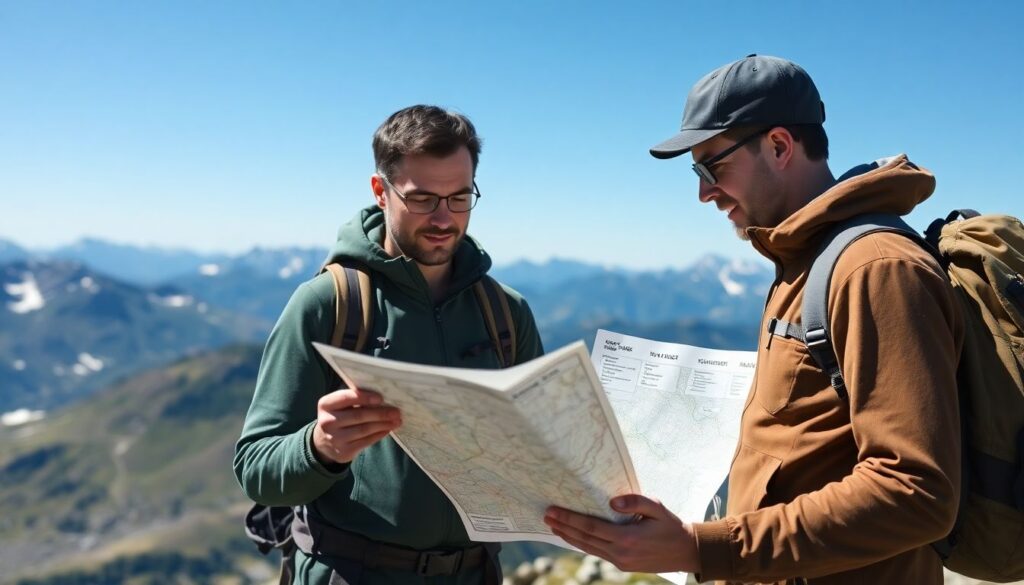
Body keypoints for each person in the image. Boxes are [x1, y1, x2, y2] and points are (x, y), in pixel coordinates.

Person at [544, 54, 964, 584]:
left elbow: (916, 493)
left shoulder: (875, 269)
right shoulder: (803, 261)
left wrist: (701, 549)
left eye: (712, 167)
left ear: (780, 146)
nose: (704, 192)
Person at [235, 105, 544, 585]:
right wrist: (319, 447)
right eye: (423, 200)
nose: (444, 218)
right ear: (381, 191)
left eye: (460, 198)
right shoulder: (327, 304)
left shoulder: (505, 312)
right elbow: (256, 468)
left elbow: (541, 454)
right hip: (351, 573)